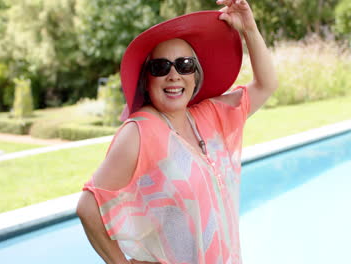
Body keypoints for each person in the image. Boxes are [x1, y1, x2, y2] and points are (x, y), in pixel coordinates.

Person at [76, 0, 277, 263]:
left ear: (196, 76)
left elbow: (266, 85)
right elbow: (88, 208)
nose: (174, 75)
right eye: (161, 67)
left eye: (184, 65)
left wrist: (249, 27)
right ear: (146, 81)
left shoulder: (208, 116)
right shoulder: (141, 131)